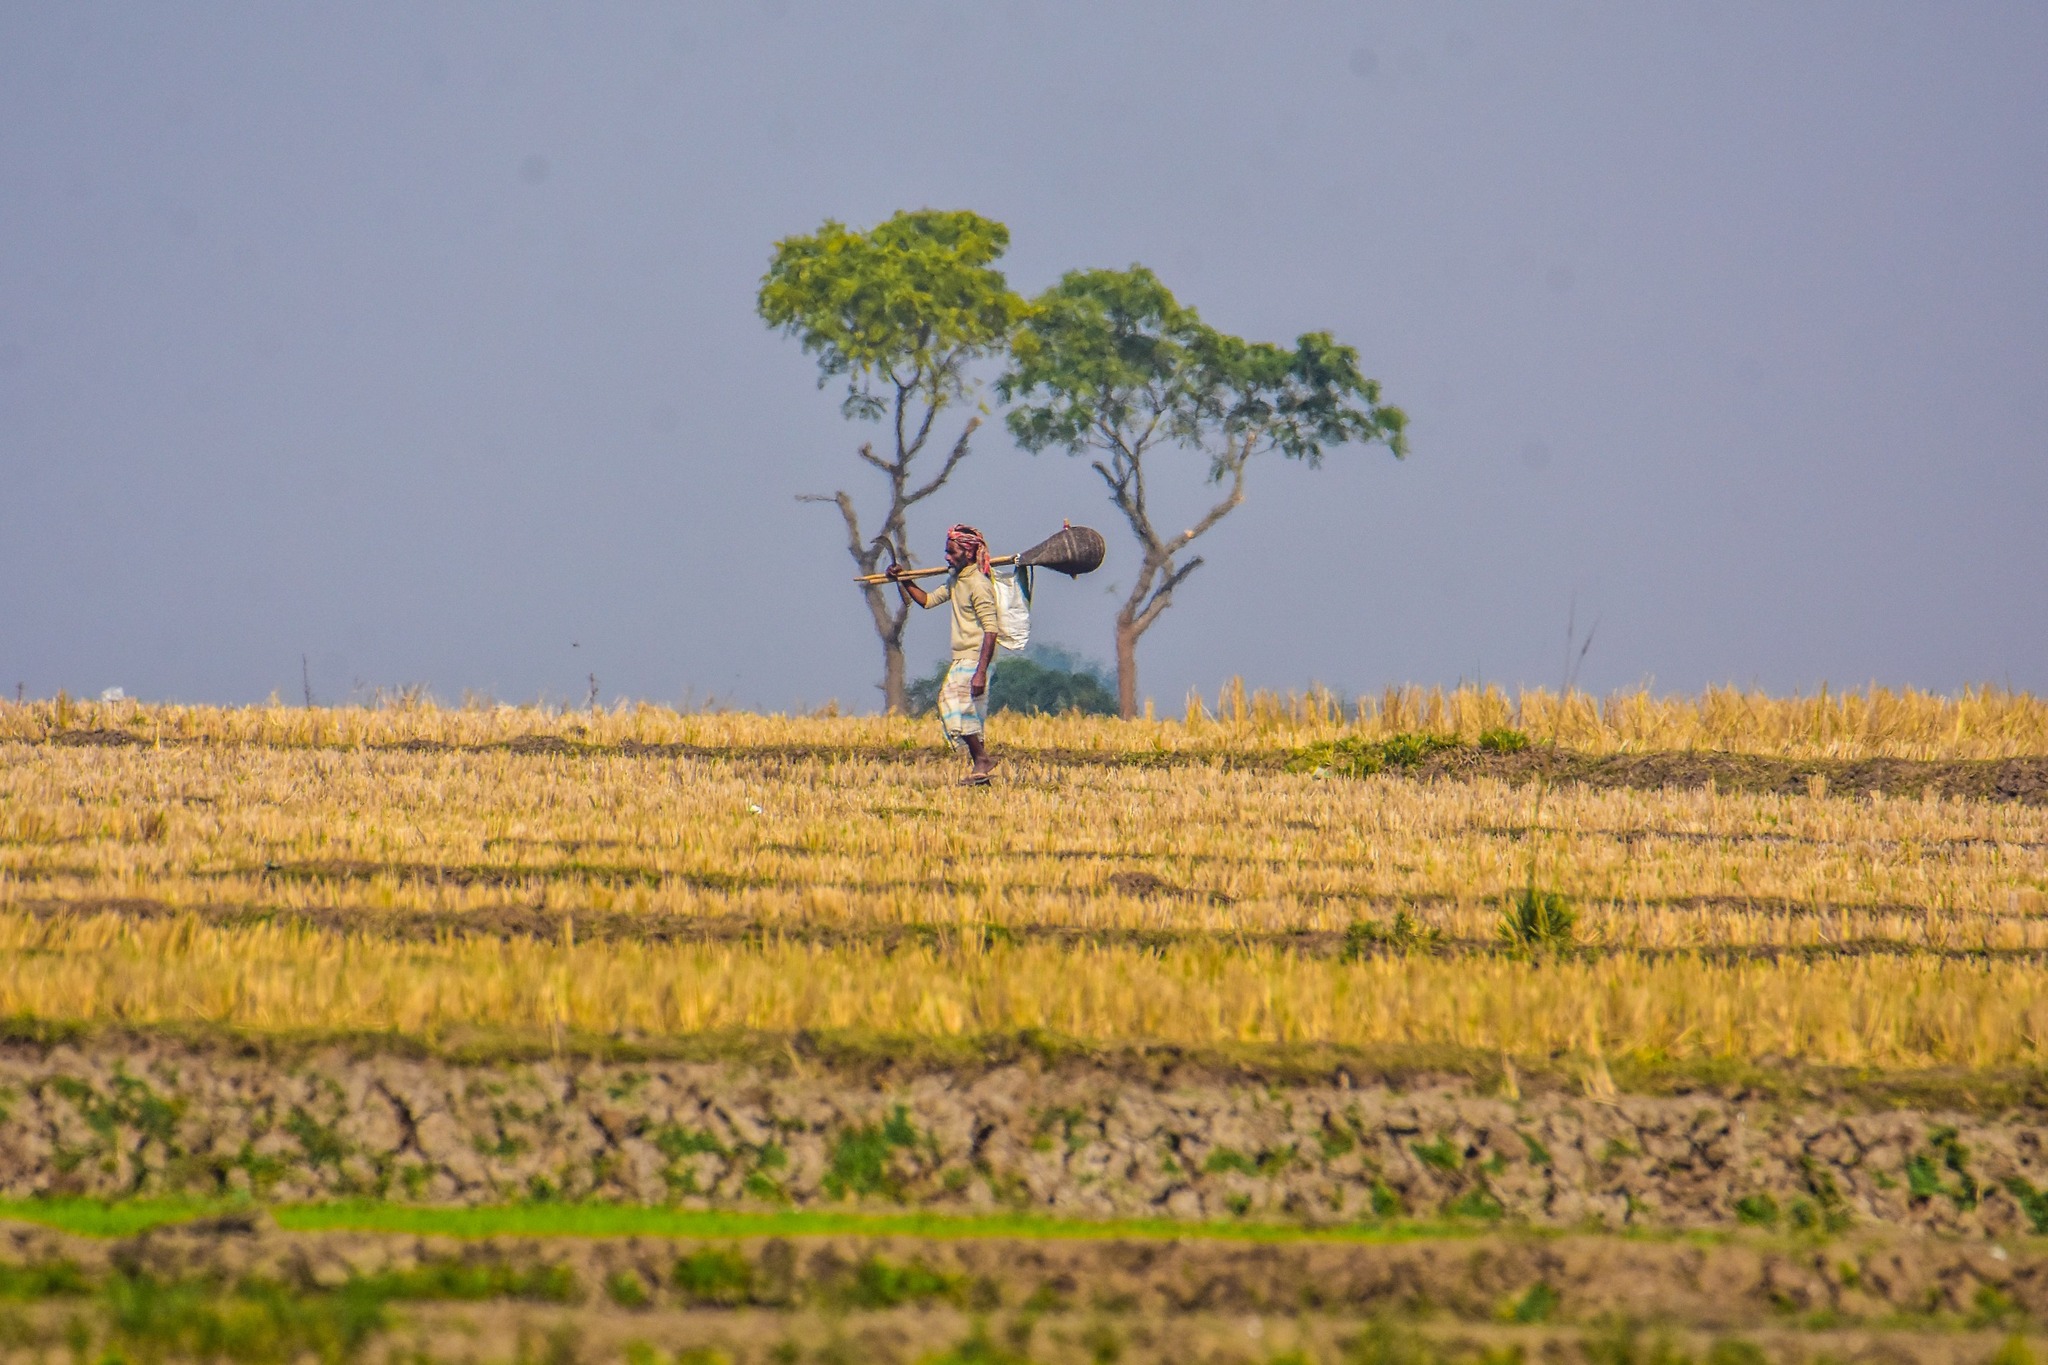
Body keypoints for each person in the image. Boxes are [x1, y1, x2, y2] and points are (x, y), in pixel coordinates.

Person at [887, 524, 1000, 785]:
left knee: (954, 704)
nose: (947, 557)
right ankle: (980, 769)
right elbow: (927, 600)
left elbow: (991, 630)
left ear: (968, 553)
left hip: (976, 656)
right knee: (968, 711)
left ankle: (982, 758)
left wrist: (981, 672)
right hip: (962, 656)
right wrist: (904, 578)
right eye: (946, 552)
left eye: (952, 552)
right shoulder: (955, 580)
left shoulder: (978, 585)